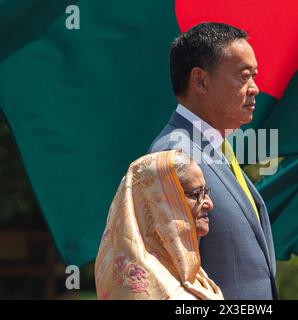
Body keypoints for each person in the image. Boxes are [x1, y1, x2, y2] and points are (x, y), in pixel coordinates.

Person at [149, 22, 277, 299]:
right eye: (244, 76)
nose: (254, 88)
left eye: (254, 75)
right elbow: (168, 280)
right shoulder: (174, 155)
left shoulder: (210, 148)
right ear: (201, 81)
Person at [94, 150, 224, 300]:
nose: (209, 204)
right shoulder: (145, 287)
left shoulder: (184, 271)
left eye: (205, 191)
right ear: (159, 205)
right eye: (196, 194)